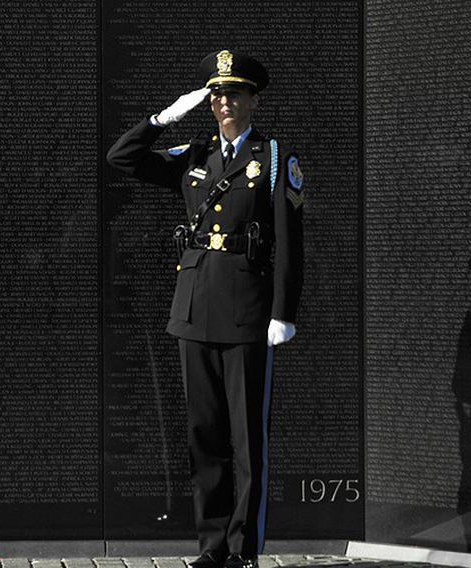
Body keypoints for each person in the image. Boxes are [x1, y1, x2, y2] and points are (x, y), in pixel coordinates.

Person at [106, 50, 305, 568]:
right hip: (194, 308)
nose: (224, 102)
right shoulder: (193, 156)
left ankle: (243, 551)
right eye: (217, 94)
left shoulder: (275, 157)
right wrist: (160, 119)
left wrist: (283, 312)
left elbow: (290, 240)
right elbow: (121, 158)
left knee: (245, 442)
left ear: (254, 99)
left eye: (234, 93)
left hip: (247, 312)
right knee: (203, 438)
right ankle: (212, 547)